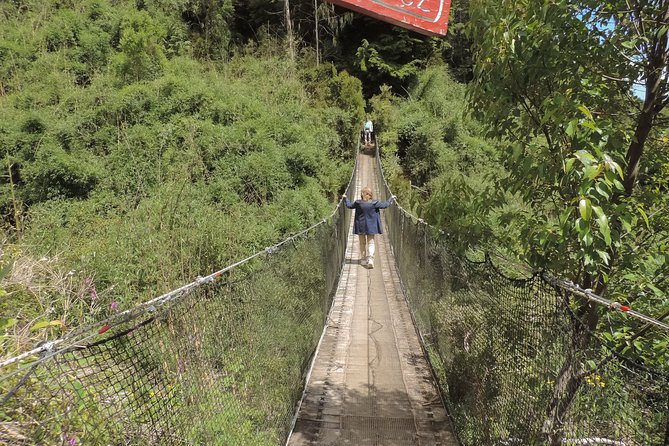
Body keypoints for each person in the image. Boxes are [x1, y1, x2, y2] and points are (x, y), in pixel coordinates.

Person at [343, 186, 395, 269]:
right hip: (371, 226)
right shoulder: (375, 203)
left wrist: (345, 199)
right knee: (371, 242)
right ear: (371, 195)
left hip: (361, 226)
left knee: (362, 243)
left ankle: (363, 259)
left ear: (362, 194)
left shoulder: (358, 203)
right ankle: (370, 258)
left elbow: (349, 206)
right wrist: (391, 199)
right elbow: (385, 205)